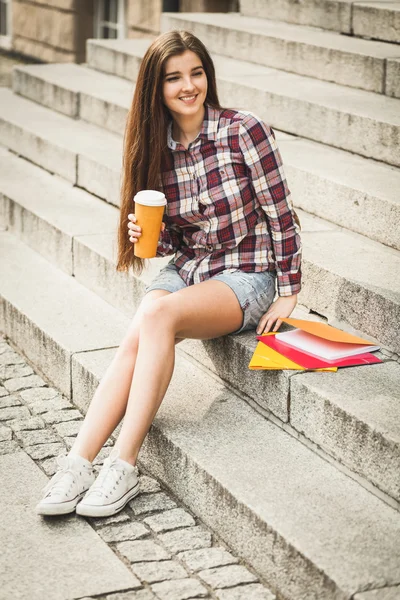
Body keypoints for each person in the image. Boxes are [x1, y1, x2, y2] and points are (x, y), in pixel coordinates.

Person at [36, 30, 302, 518]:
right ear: (155, 88)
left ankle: (124, 464)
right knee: (139, 330)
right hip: (191, 268)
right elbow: (173, 244)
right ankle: (77, 463)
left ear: (208, 76)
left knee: (157, 315)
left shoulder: (244, 131)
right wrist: (148, 236)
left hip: (247, 272)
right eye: (174, 77)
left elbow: (281, 213)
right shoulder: (153, 147)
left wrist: (288, 291)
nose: (188, 86)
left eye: (196, 73)